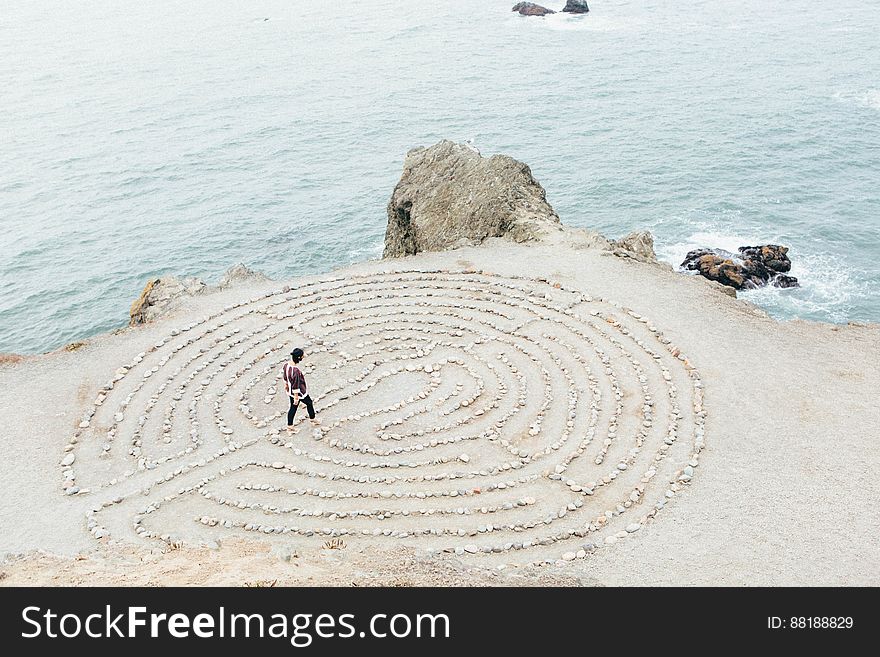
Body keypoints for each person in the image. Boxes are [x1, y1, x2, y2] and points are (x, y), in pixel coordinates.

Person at [283, 348, 318, 433]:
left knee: (293, 408)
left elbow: (285, 376)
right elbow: (296, 384)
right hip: (299, 393)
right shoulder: (296, 371)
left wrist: (286, 385)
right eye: (302, 356)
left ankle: (290, 426)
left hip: (290, 391)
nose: (303, 357)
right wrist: (296, 397)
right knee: (308, 402)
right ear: (299, 358)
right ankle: (312, 419)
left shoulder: (286, 365)